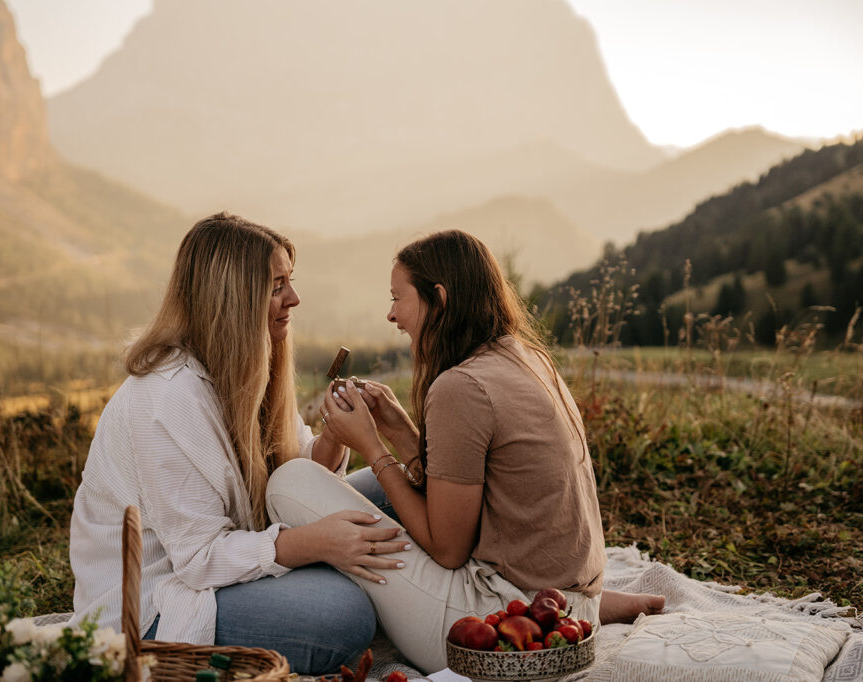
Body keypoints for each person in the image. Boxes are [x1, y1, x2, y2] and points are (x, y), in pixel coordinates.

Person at [265, 230, 663, 673]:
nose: (391, 314)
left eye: (398, 298)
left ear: (439, 297)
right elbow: (472, 487)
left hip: (495, 627)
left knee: (290, 483)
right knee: (363, 492)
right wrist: (400, 431)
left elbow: (449, 550)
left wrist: (372, 448)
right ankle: (594, 606)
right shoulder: (526, 358)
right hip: (561, 608)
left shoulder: (461, 387)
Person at [68, 212, 407, 675]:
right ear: (232, 298)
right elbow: (199, 560)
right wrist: (315, 543)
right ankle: (379, 596)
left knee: (392, 490)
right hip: (159, 605)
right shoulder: (166, 401)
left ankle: (423, 605)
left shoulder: (247, 363)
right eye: (276, 286)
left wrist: (332, 435)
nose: (294, 298)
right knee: (343, 616)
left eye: (290, 281)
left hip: (235, 555)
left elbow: (291, 473)